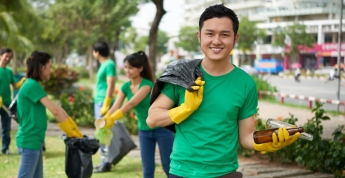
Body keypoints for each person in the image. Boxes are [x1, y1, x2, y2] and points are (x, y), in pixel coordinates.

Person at [146, 4, 301, 178]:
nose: (217, 41)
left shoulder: (246, 83)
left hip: (225, 173)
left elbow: (246, 137)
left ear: (235, 38)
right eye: (210, 34)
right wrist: (185, 109)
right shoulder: (184, 75)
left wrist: (268, 142)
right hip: (182, 172)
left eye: (225, 34)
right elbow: (152, 119)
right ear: (199, 36)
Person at [102, 51, 174, 177]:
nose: (127, 71)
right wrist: (105, 118)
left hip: (162, 129)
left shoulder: (147, 85)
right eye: (125, 67)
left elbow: (131, 103)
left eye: (131, 68)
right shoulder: (125, 86)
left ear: (140, 68)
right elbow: (116, 106)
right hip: (144, 132)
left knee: (168, 166)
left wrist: (114, 118)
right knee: (147, 169)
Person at [16, 51, 82, 178]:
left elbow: (58, 108)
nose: (51, 70)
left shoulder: (33, 84)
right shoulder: (31, 85)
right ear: (42, 67)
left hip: (35, 141)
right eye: (50, 67)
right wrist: (72, 133)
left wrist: (75, 130)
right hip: (29, 140)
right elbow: (55, 111)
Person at [0, 48, 26, 158]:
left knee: (6, 128)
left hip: (7, 103)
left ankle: (5, 149)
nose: (8, 59)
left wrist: (22, 81)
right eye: (6, 56)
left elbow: (15, 86)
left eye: (10, 57)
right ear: (0, 55)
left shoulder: (9, 72)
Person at [92, 41, 117, 173]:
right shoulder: (103, 64)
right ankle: (104, 161)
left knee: (103, 132)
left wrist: (107, 103)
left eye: (93, 51)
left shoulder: (109, 64)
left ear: (97, 52)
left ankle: (106, 163)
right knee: (101, 132)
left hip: (103, 103)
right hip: (99, 101)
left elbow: (111, 84)